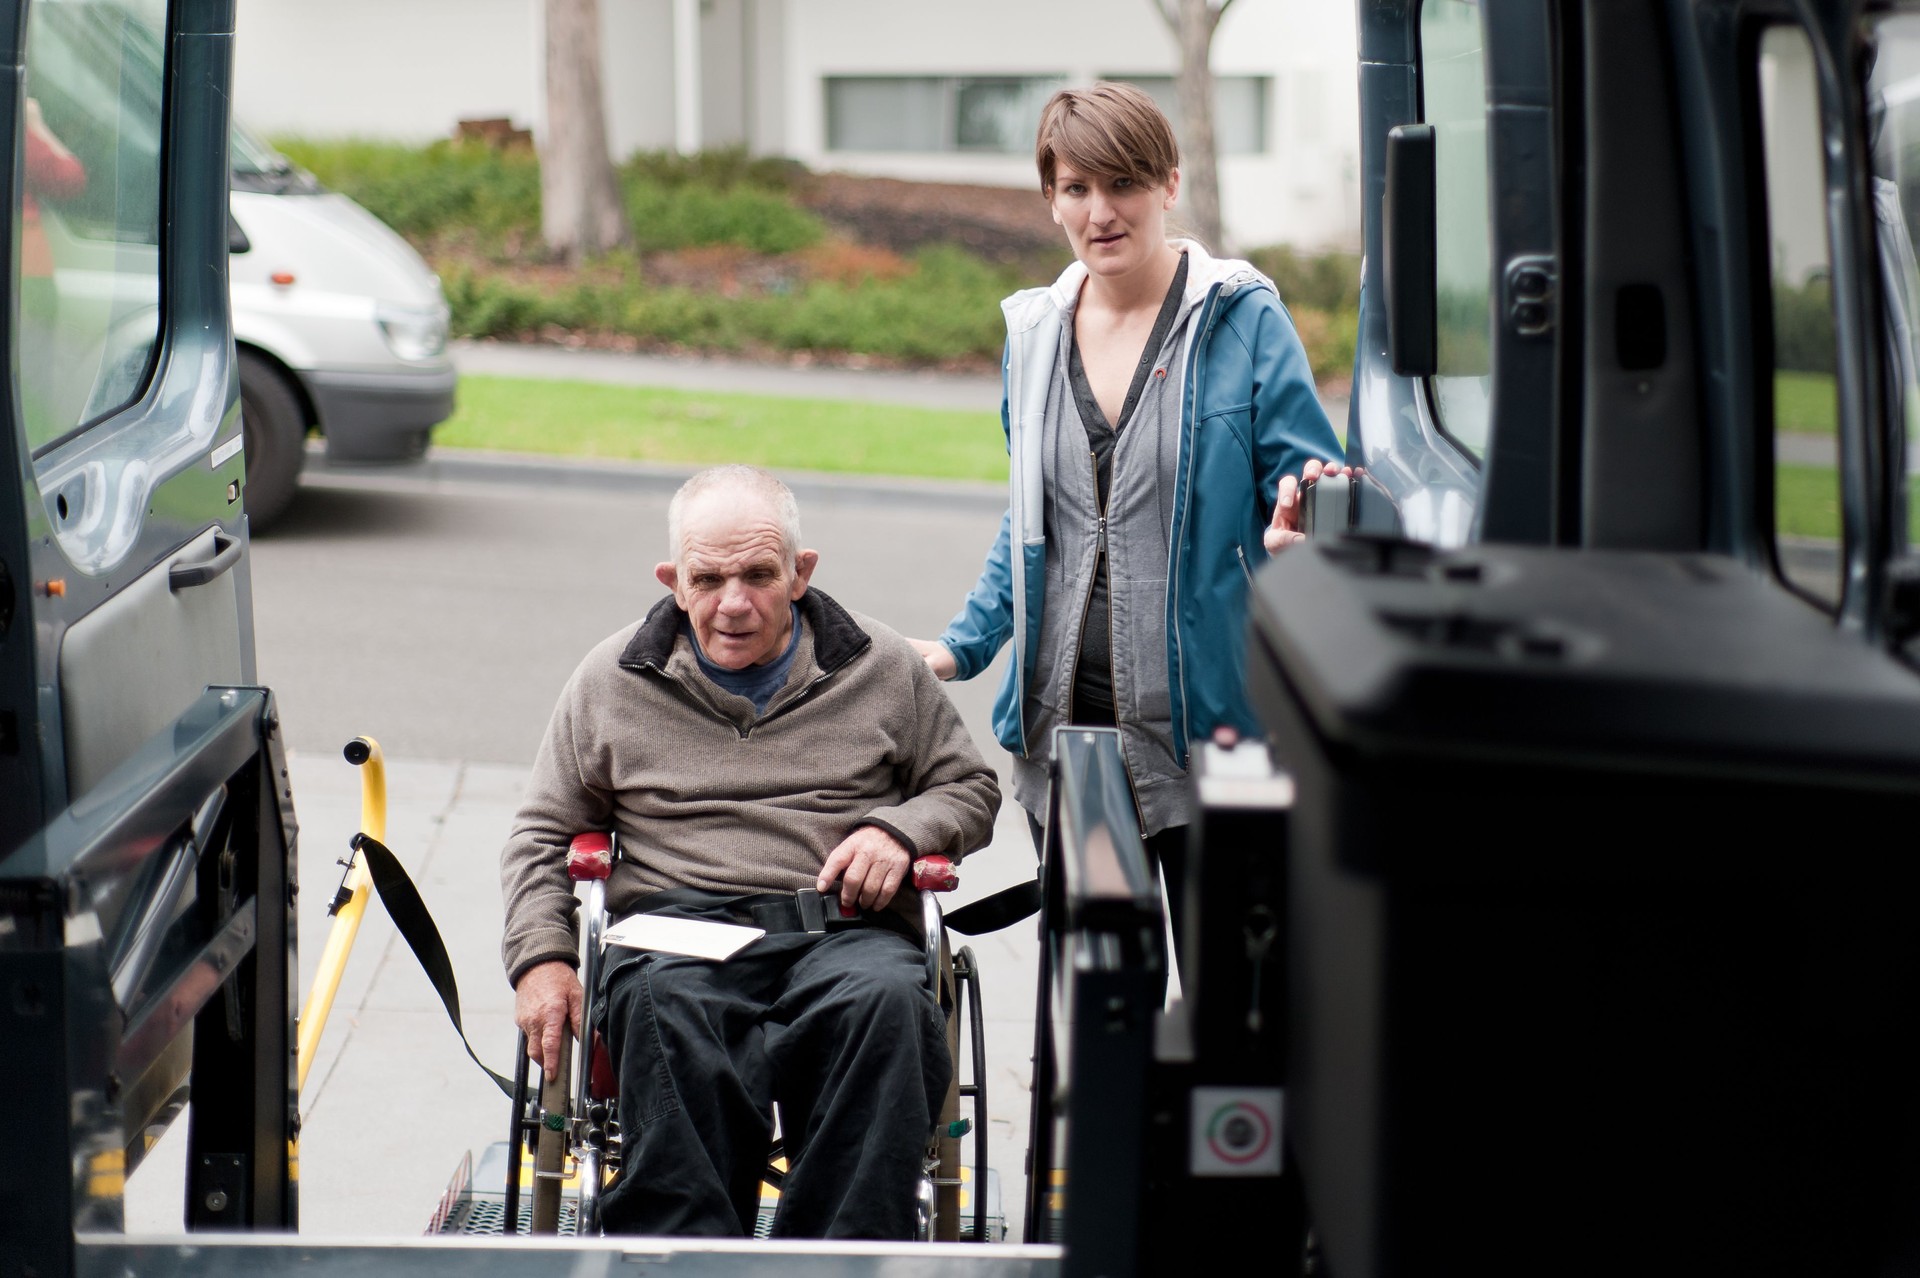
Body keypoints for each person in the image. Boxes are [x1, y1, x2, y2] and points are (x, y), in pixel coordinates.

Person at [500, 465, 1001, 1240]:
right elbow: (540, 833)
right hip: (675, 937)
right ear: (675, 583)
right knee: (665, 1015)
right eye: (709, 578)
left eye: (760, 575)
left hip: (842, 929)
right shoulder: (611, 679)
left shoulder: (880, 666)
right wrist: (541, 957)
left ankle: (843, 1261)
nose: (734, 603)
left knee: (888, 1006)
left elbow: (969, 786)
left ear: (801, 574)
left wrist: (901, 832)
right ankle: (684, 1257)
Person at [909, 83, 1345, 906]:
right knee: (1101, 1012)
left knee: (1233, 1015)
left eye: (1124, 184)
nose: (1100, 211)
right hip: (1071, 739)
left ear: (1169, 186)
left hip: (1216, 737)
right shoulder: (1035, 336)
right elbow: (1034, 519)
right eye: (1077, 188)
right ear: (1051, 200)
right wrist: (962, 645)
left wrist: (1306, 530)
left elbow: (1312, 486)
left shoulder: (1240, 318)